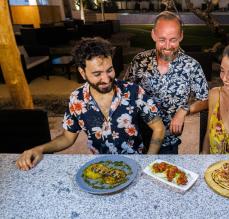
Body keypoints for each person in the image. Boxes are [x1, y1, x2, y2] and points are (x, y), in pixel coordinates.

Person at [16, 38, 165, 171]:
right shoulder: (77, 99)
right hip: (100, 168)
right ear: (82, 73)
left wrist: (148, 161)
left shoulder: (134, 91)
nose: (106, 79)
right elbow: (67, 138)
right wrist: (39, 148)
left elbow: (158, 128)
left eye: (110, 70)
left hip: (136, 163)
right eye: (97, 74)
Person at [125, 11, 209, 154]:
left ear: (181, 36)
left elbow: (205, 100)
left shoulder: (192, 66)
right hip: (136, 137)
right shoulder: (140, 60)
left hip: (169, 142)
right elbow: (125, 93)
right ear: (153, 35)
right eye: (162, 40)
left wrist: (184, 110)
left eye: (173, 40)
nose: (168, 46)